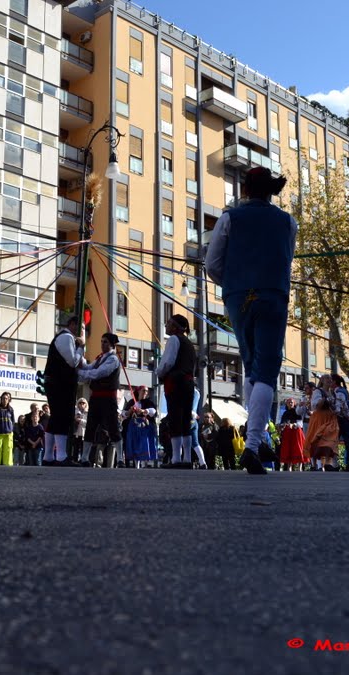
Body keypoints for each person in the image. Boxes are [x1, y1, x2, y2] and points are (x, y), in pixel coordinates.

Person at [204, 167, 297, 475]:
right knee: (267, 368)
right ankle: (254, 445)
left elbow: (212, 264)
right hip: (272, 295)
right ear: (271, 191)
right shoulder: (287, 222)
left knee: (251, 363)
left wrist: (233, 283)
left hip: (238, 296)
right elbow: (286, 258)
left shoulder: (230, 217)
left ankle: (256, 436)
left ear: (244, 189)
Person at [41, 316, 84, 465]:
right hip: (59, 383)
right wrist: (81, 347)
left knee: (56, 418)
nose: (82, 332)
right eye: (81, 328)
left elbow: (80, 363)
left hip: (58, 383)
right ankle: (60, 455)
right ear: (72, 324)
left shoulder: (66, 338)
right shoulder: (66, 337)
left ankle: (48, 457)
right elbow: (73, 361)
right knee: (62, 417)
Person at [156, 314, 197, 468]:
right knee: (185, 420)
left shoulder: (174, 339)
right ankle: (187, 459)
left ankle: (176, 459)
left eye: (168, 323)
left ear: (174, 327)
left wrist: (159, 372)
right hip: (188, 383)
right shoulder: (189, 343)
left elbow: (168, 361)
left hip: (176, 383)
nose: (166, 325)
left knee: (175, 419)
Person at [76, 332, 122, 468]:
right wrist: (80, 352)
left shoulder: (113, 359)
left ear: (112, 344)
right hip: (96, 397)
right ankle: (84, 458)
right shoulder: (100, 357)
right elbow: (88, 367)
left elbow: (98, 373)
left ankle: (120, 458)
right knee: (90, 426)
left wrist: (78, 372)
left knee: (113, 428)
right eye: (102, 341)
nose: (102, 344)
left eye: (105, 342)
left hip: (108, 398)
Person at [304, 375, 340, 471]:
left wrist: (336, 408)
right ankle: (318, 465)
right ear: (322, 381)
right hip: (319, 418)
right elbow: (315, 406)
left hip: (331, 418)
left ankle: (328, 463)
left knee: (329, 440)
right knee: (317, 440)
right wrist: (324, 400)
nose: (329, 380)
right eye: (327, 378)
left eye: (330, 378)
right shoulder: (318, 392)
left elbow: (336, 407)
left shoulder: (332, 393)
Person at [122, 386, 157, 468]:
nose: (146, 392)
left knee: (144, 445)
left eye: (147, 391)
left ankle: (144, 463)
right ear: (138, 391)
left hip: (145, 427)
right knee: (135, 445)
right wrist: (130, 410)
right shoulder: (132, 402)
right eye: (143, 390)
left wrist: (144, 411)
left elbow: (153, 411)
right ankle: (136, 464)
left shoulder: (149, 402)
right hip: (134, 427)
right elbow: (124, 414)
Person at [277, 397, 306, 472]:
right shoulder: (285, 413)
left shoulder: (297, 411)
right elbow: (283, 422)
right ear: (286, 404)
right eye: (289, 402)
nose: (290, 404)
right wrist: (281, 425)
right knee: (288, 449)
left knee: (298, 448)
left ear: (294, 403)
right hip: (288, 433)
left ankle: (300, 467)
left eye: (291, 402)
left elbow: (300, 422)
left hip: (296, 432)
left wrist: (294, 424)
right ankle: (289, 467)